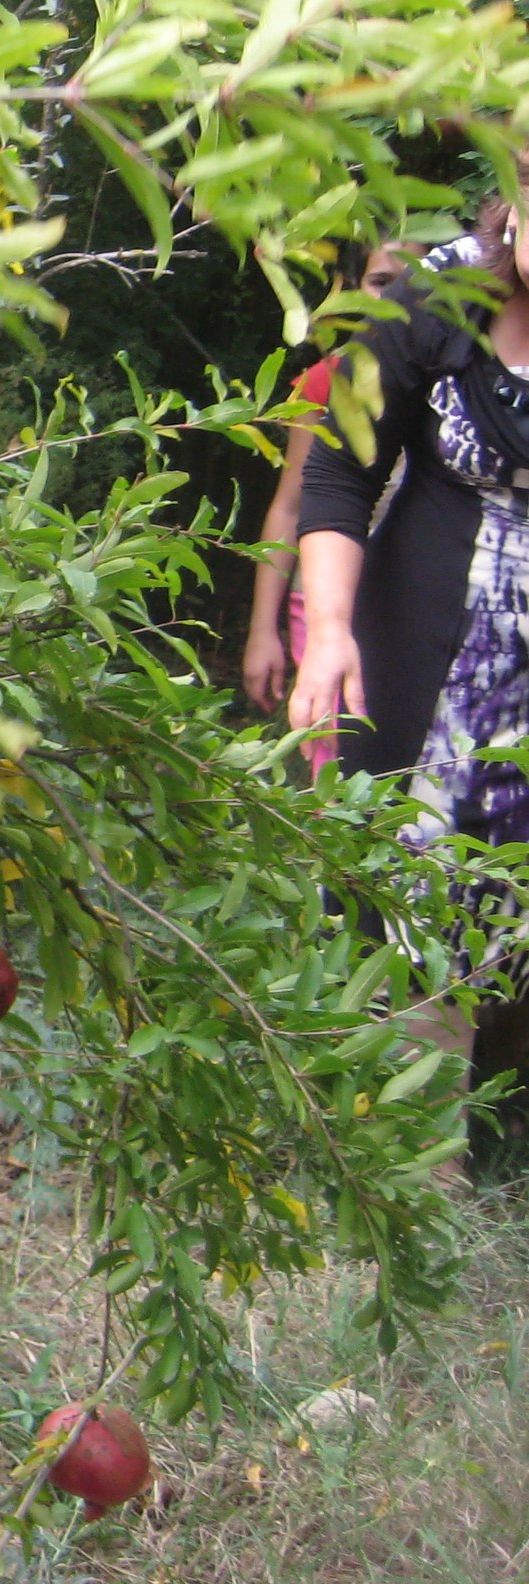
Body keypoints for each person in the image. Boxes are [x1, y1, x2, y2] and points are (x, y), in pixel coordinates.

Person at [289, 221, 529, 1074]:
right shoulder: (439, 296)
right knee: (390, 937)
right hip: (419, 686)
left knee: (502, 957)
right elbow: (340, 469)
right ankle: (386, 1128)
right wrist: (327, 630)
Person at [242, 242, 413, 769]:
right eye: (382, 281)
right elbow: (288, 507)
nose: (400, 295)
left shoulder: (455, 380)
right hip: (320, 605)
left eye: (417, 278)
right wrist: (261, 630)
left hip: (413, 602)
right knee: (336, 764)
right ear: (352, 287)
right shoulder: (324, 381)